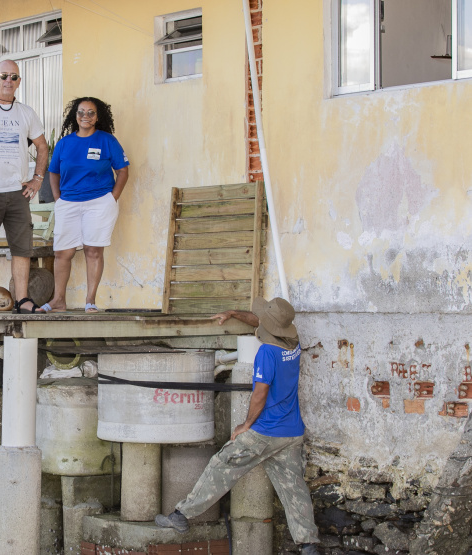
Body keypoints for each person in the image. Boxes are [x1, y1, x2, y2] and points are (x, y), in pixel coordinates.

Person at [155, 297, 321, 555]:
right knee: (294, 489)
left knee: (221, 465)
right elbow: (260, 321)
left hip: (265, 431)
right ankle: (309, 545)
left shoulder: (267, 352)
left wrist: (246, 424)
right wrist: (233, 313)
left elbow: (260, 394)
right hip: (292, 432)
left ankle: (181, 515)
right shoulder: (293, 344)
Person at [0, 59, 49, 313]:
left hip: (17, 192)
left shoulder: (26, 113)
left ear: (19, 82)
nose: (8, 81)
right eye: (4, 76)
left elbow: (42, 146)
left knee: (22, 249)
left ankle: (23, 299)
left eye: (13, 77)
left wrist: (37, 179)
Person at [41, 97, 129, 314]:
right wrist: (58, 198)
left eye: (91, 113)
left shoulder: (107, 141)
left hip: (99, 202)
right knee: (63, 252)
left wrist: (112, 198)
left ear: (97, 117)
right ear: (75, 116)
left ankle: (90, 300)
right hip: (68, 202)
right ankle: (59, 300)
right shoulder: (64, 143)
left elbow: (123, 171)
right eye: (81, 112)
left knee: (93, 250)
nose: (85, 117)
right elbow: (53, 172)